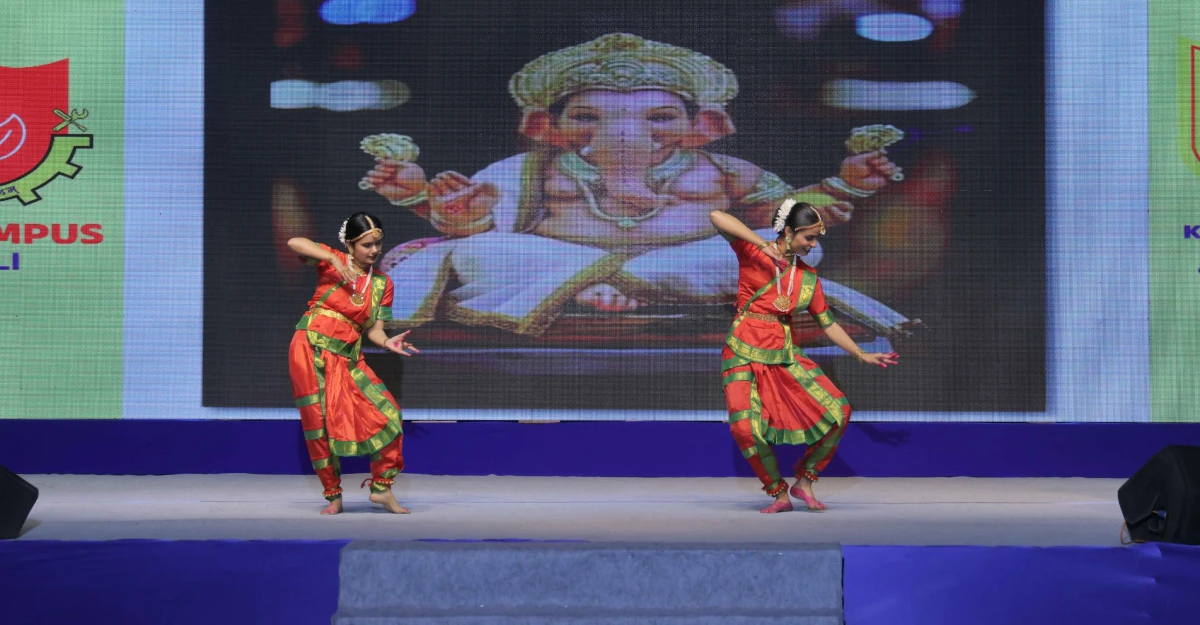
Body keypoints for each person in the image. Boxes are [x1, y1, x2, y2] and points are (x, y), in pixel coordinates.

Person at [362, 33, 909, 342]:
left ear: (704, 126)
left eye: (660, 118)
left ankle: (620, 287)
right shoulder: (532, 168)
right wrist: (447, 207)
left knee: (773, 248)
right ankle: (583, 286)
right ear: (546, 128)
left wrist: (845, 186)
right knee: (481, 251)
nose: (625, 134)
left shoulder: (721, 170)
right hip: (558, 262)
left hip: (681, 264)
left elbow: (782, 216)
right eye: (588, 117)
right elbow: (482, 231)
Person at [709, 200, 898, 514]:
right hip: (742, 351)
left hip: (784, 353)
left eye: (815, 238)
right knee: (745, 430)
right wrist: (763, 245)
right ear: (789, 232)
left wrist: (861, 354)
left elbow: (828, 324)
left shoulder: (808, 278)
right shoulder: (752, 253)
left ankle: (805, 482)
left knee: (838, 411)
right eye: (808, 237)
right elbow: (716, 216)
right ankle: (778, 493)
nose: (813, 245)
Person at [286, 212, 418, 514]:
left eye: (377, 244)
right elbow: (294, 242)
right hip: (309, 347)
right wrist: (332, 259)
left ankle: (382, 489)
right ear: (349, 244)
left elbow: (375, 331)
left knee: (389, 414)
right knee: (318, 423)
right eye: (366, 245)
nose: (374, 251)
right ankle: (333, 495)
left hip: (347, 355)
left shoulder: (383, 284)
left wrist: (387, 342)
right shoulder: (332, 261)